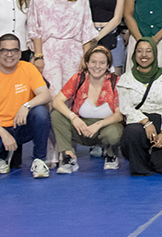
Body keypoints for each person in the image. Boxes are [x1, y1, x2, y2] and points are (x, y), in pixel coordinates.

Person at [28, 0, 97, 119]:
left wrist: (86, 56)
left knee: (73, 96)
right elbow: (34, 26)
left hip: (74, 52)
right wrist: (38, 56)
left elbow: (86, 27)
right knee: (51, 96)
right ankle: (51, 137)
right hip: (48, 52)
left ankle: (70, 135)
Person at [0, 34, 53, 177]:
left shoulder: (28, 68)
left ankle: (39, 160)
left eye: (14, 50)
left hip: (22, 125)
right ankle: (1, 157)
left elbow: (45, 95)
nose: (9, 55)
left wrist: (26, 105)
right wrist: (3, 134)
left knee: (41, 112)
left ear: (20, 53)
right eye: (4, 50)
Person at [50, 45, 124, 173]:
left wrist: (98, 125)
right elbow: (57, 101)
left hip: (104, 127)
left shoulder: (115, 82)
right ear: (87, 63)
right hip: (81, 126)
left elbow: (119, 115)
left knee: (114, 133)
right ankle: (69, 156)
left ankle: (111, 154)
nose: (97, 66)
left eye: (102, 63)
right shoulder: (78, 78)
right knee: (56, 115)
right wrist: (73, 118)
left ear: (108, 65)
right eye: (93, 62)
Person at [117, 37, 162, 176]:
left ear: (155, 54)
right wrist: (146, 122)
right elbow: (126, 107)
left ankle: (149, 156)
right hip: (139, 121)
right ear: (134, 54)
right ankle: (139, 166)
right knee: (132, 132)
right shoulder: (126, 79)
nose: (144, 55)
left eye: (148, 51)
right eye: (140, 51)